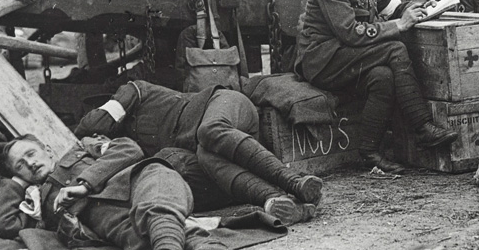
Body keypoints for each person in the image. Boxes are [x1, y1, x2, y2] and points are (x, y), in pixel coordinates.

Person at [0, 134, 268, 250]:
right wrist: (16, 183)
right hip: (106, 219)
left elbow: (128, 147)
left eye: (31, 154)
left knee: (157, 196)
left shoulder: (81, 149)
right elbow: (4, 224)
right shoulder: (36, 200)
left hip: (139, 179)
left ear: (47, 149)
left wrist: (83, 184)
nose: (29, 164)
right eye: (20, 165)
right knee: (144, 233)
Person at [295, 0, 458, 174]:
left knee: (382, 77)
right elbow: (350, 33)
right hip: (322, 61)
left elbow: (392, 6)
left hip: (346, 59)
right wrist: (399, 25)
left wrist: (416, 8)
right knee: (395, 48)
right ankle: (422, 127)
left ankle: (369, 152)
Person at [75, 80, 321, 225]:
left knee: (209, 131)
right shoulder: (130, 148)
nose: (100, 141)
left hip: (225, 105)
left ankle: (295, 182)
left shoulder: (133, 90)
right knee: (206, 155)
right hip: (221, 146)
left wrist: (90, 141)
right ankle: (277, 201)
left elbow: (92, 125)